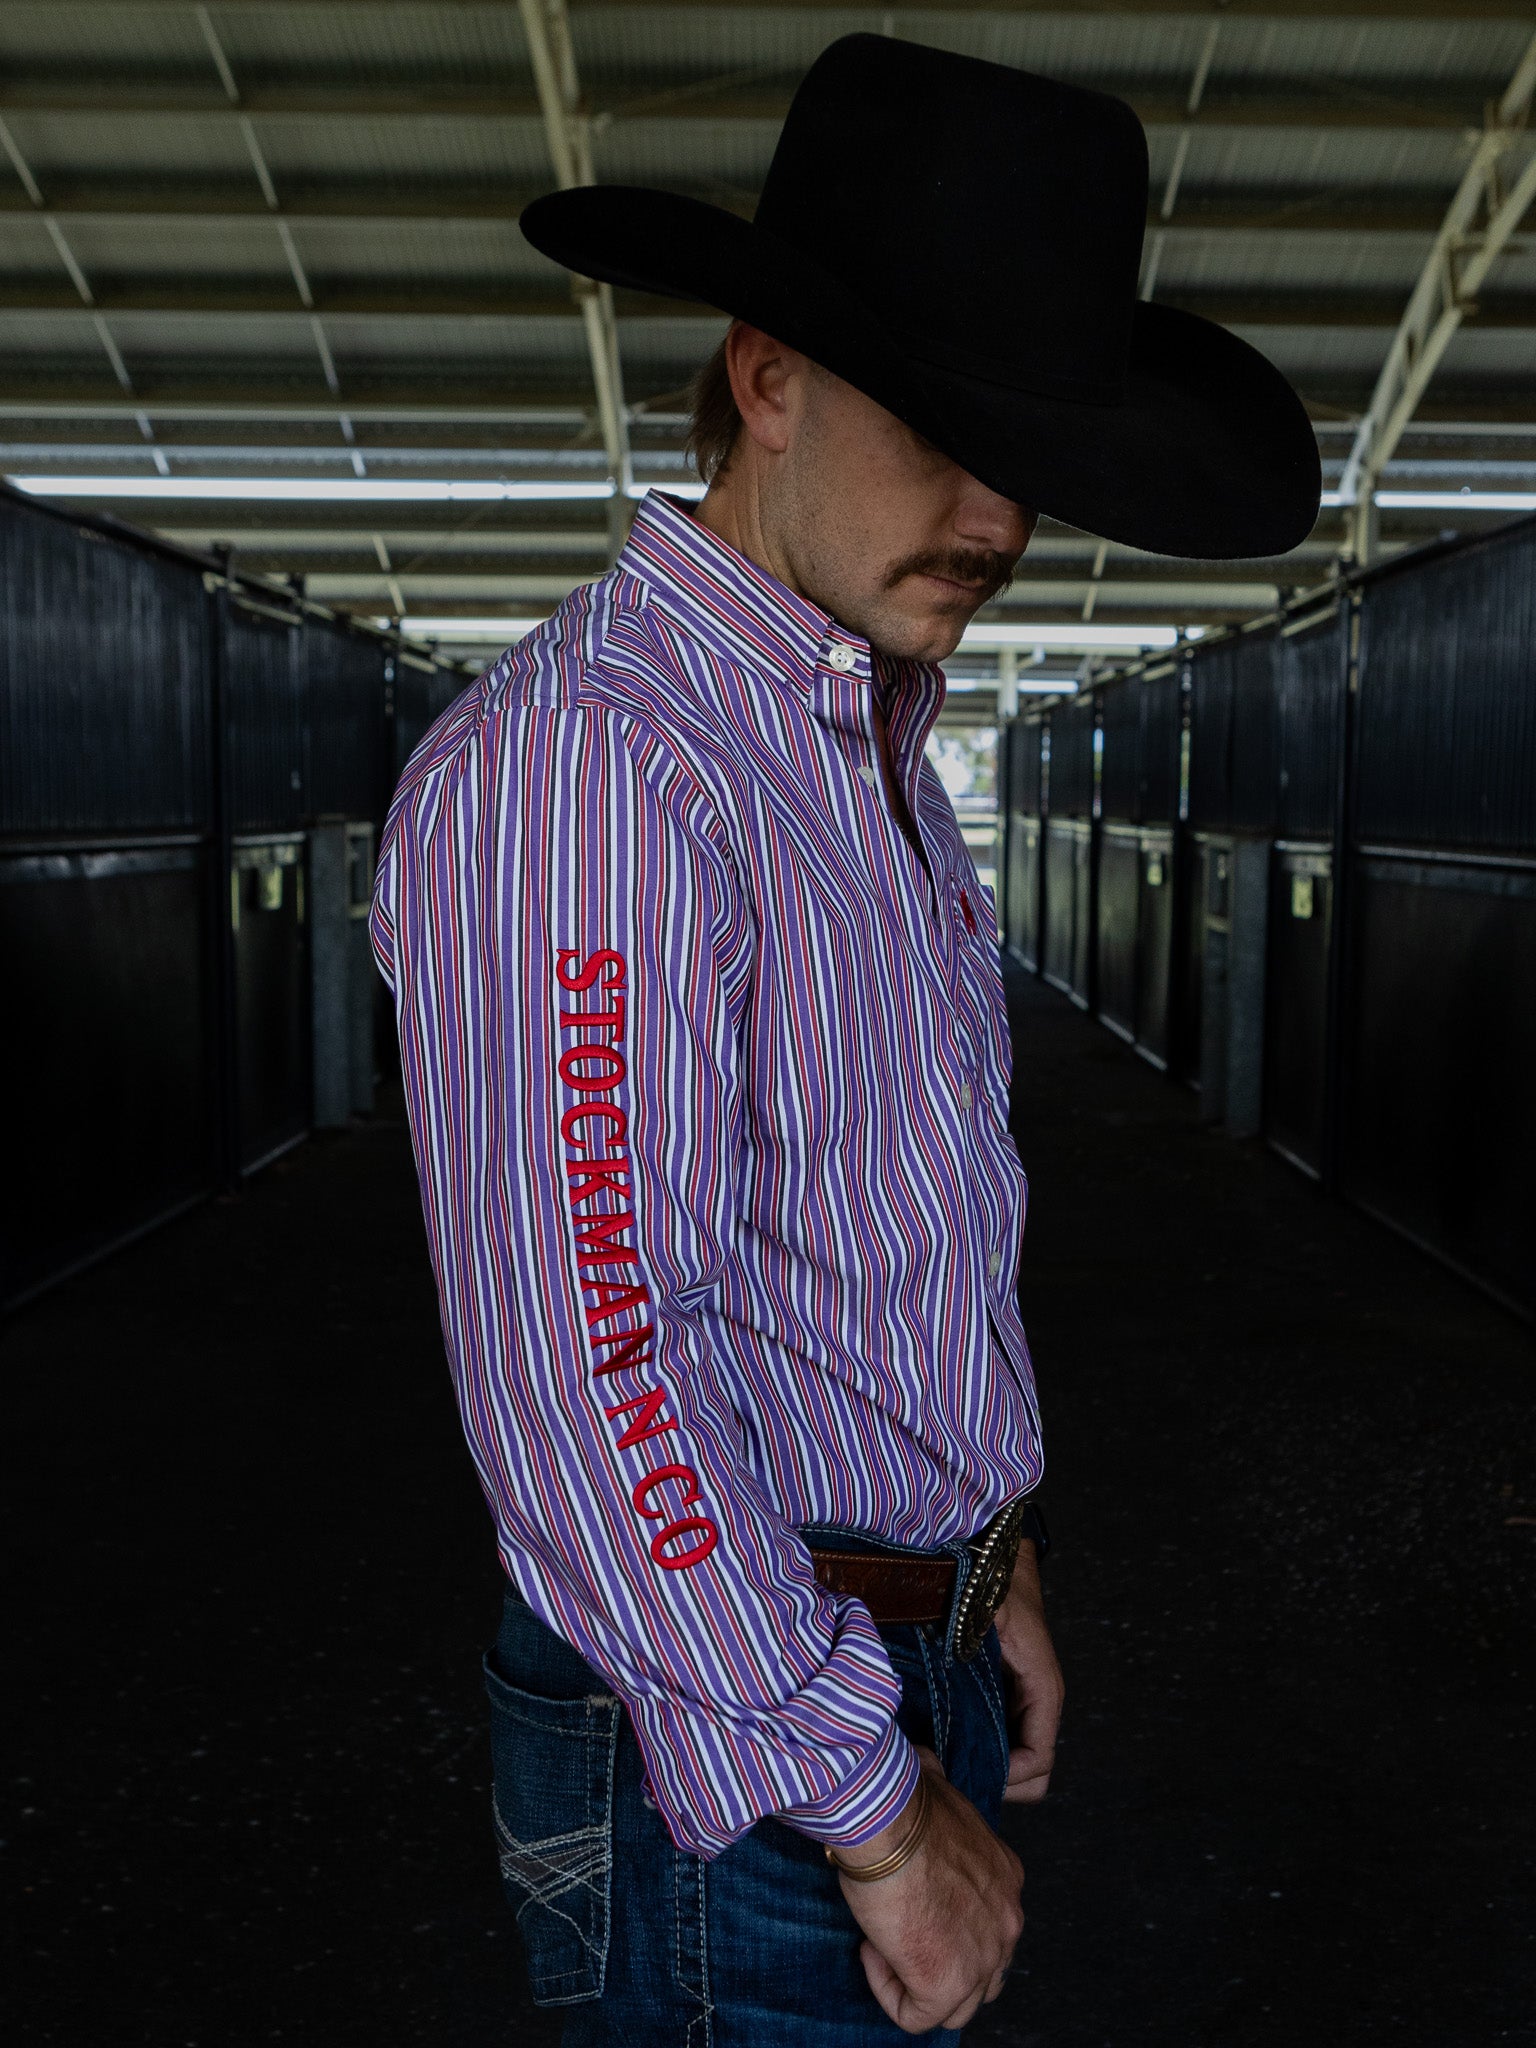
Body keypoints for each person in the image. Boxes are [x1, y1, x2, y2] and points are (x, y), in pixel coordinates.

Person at [371, 34, 1318, 2046]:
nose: (997, 515)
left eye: (1032, 453)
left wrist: (999, 1558)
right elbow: (589, 1374)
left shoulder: (867, 739)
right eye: (944, 431)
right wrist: (880, 1818)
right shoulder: (593, 775)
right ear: (767, 374)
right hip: (742, 1752)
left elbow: (905, 1223)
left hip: (884, 1647)